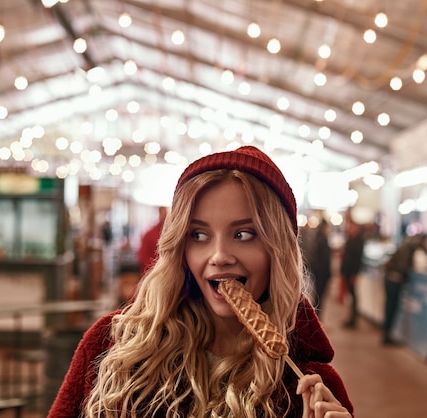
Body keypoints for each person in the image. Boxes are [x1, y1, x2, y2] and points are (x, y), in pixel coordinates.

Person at [48, 146, 354, 418]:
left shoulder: (311, 387)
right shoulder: (112, 345)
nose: (219, 255)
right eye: (199, 235)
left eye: (243, 234)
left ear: (279, 251)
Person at [382, 233, 427, 345]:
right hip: (394, 281)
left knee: (389, 307)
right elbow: (403, 267)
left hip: (390, 279)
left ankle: (387, 333)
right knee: (391, 307)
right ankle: (387, 335)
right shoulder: (410, 249)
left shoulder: (406, 246)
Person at [339, 221, 365, 328]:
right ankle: (351, 318)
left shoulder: (358, 241)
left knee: (353, 296)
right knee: (350, 296)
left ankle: (353, 319)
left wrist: (355, 274)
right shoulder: (350, 239)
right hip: (347, 272)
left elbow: (358, 259)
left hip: (352, 272)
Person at [307, 219, 332, 314]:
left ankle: (316, 317)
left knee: (317, 296)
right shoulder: (322, 239)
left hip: (318, 273)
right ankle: (317, 318)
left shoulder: (317, 238)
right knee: (319, 297)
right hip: (322, 274)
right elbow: (325, 259)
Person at [137, 206, 168, 276]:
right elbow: (142, 255)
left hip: (167, 273)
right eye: (163, 214)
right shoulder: (149, 234)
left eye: (166, 214)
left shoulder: (171, 234)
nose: (165, 216)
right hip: (152, 273)